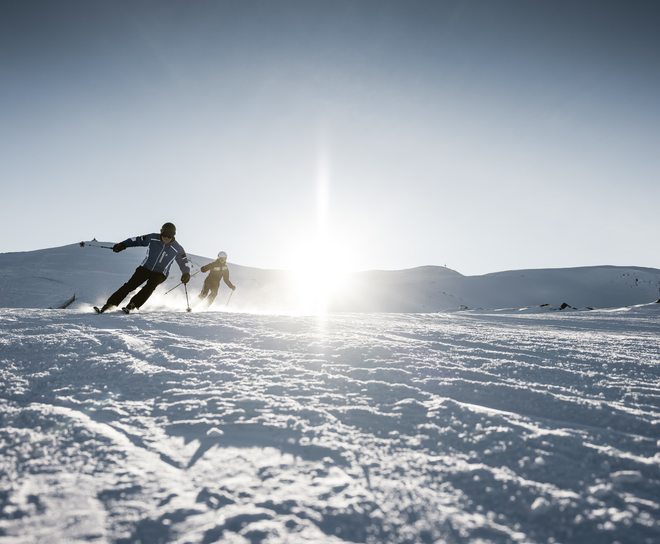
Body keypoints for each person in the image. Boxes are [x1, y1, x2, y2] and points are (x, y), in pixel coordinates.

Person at [95, 222, 191, 314]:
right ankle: (111, 304)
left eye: (169, 236)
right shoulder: (152, 238)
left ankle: (133, 304)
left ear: (173, 236)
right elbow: (136, 240)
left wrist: (186, 273)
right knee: (130, 285)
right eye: (165, 234)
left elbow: (184, 262)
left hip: (160, 273)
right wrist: (123, 244)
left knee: (150, 287)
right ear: (161, 232)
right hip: (145, 268)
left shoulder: (178, 249)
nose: (166, 238)